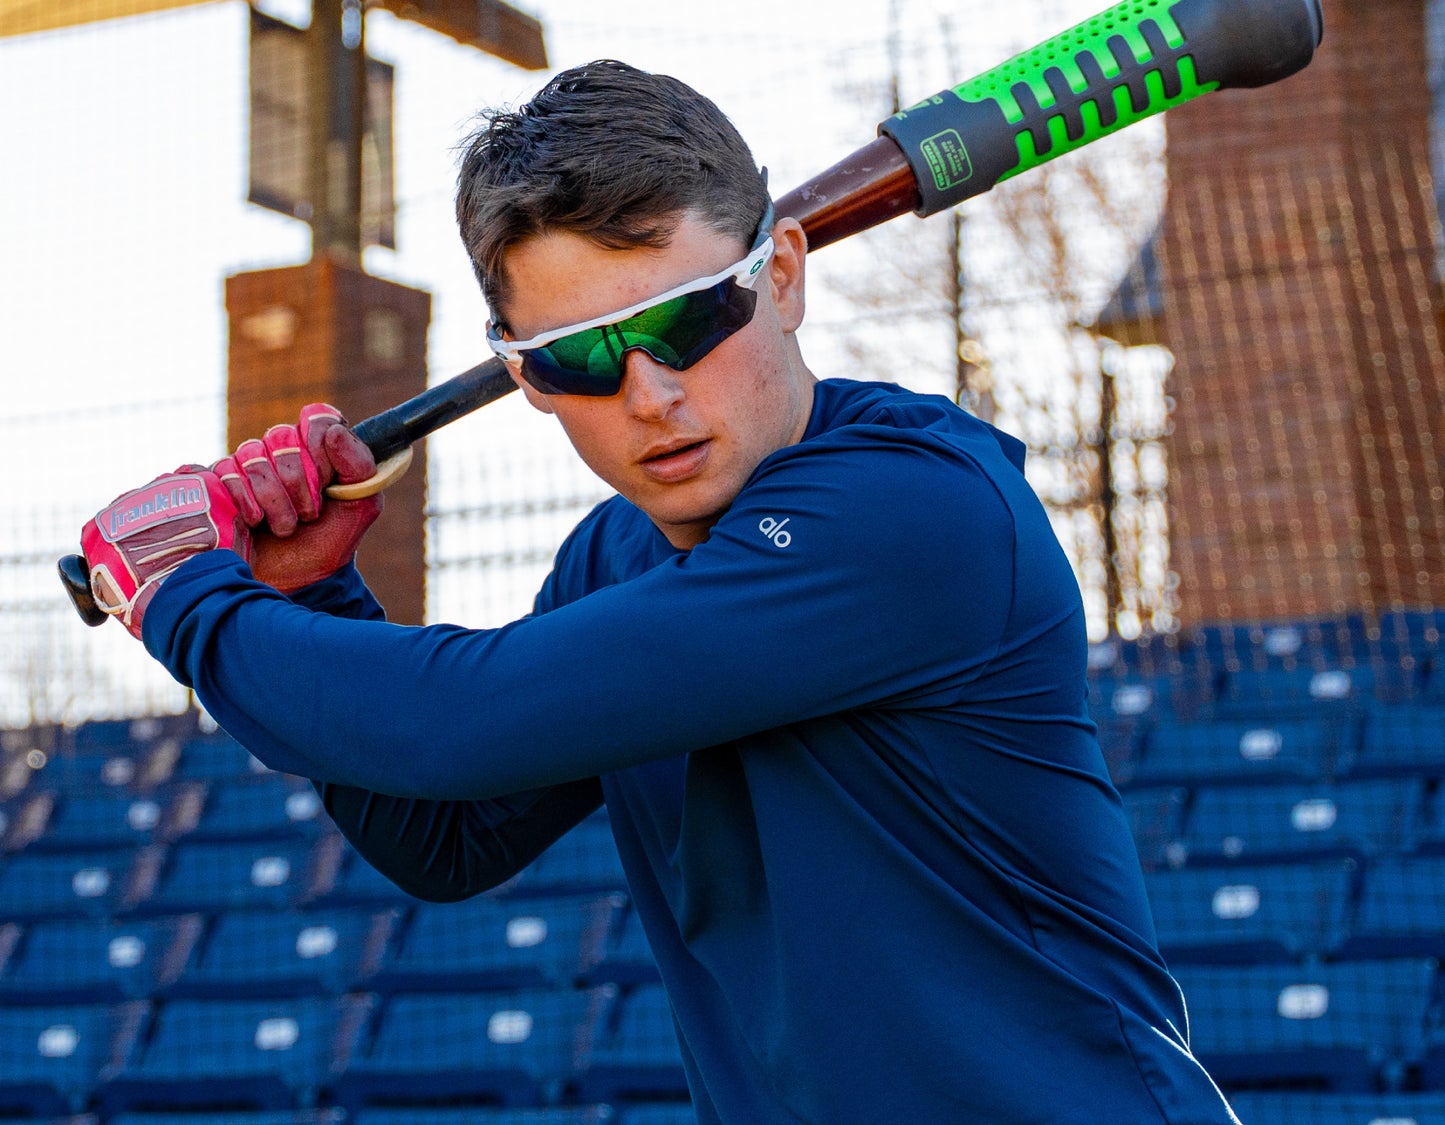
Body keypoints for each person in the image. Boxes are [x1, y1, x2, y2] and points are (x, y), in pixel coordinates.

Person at [82, 60, 1237, 1123]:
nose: (652, 394)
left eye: (689, 318)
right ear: (524, 373)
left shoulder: (913, 510)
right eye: (585, 354)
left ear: (778, 274)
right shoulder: (616, 554)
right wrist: (314, 592)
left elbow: (458, 721)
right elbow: (445, 837)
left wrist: (190, 598)